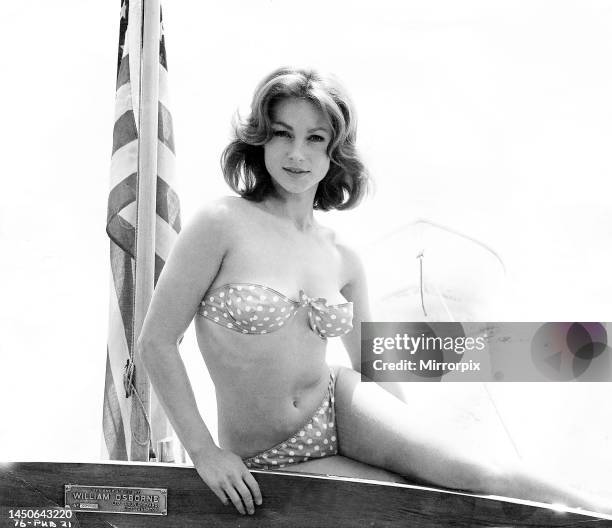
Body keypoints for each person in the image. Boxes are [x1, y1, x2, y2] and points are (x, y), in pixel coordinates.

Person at [138, 66, 611, 517]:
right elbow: (157, 342)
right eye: (283, 133)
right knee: (410, 509)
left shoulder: (342, 254)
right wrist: (203, 451)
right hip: (267, 453)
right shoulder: (220, 223)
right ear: (261, 138)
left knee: (471, 473)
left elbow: (372, 365)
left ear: (334, 152)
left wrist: (417, 448)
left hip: (341, 402)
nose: (296, 154)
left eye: (315, 138)